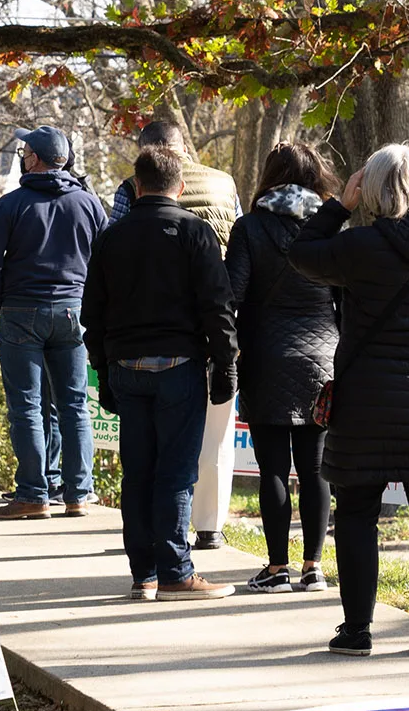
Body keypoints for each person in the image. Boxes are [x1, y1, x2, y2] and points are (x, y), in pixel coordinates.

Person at [289, 144, 409, 657]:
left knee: (355, 512)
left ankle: (357, 631)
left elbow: (302, 254)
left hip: (367, 401)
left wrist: (339, 206)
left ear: (369, 189)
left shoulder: (361, 245)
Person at [84, 145, 238, 599]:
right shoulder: (195, 232)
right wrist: (226, 363)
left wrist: (102, 367)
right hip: (178, 366)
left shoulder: (111, 237)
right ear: (181, 187)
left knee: (138, 473)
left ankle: (143, 573)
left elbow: (92, 312)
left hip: (126, 366)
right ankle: (175, 572)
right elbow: (218, 306)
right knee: (174, 472)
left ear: (136, 186)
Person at [110, 119, 240, 548]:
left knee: (154, 449)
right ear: (183, 146)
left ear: (146, 154)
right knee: (215, 434)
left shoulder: (132, 188)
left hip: (151, 331)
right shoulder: (224, 183)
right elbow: (237, 246)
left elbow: (117, 246)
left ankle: (158, 541)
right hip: (218, 319)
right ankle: (210, 526)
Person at [0, 125, 108, 519]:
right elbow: (106, 259)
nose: (21, 156)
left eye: (24, 151)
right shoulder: (88, 203)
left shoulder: (11, 203)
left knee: (27, 407)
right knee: (75, 405)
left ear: (33, 159)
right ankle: (78, 494)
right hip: (73, 310)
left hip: (22, 311)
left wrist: (2, 303)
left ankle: (33, 494)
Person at [226, 142, 340, 593]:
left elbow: (231, 294)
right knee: (314, 469)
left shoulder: (250, 227)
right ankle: (314, 566)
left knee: (272, 468)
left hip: (266, 358)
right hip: (321, 359)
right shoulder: (329, 227)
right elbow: (344, 296)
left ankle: (276, 569)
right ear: (317, 178)